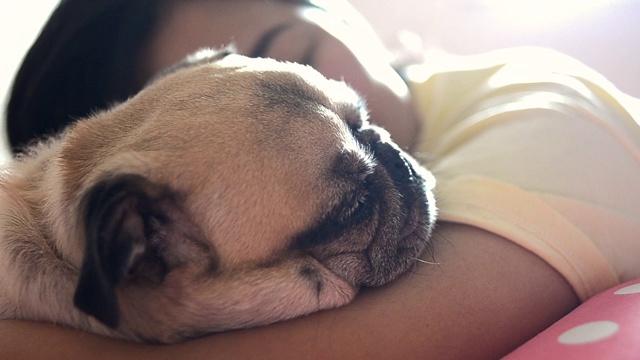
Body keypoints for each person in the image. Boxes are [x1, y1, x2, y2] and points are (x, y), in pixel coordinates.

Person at [2, 0, 639, 358]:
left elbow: (401, 341)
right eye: (351, 204)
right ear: (141, 249)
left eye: (283, 64)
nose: (388, 157)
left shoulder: (541, 101)